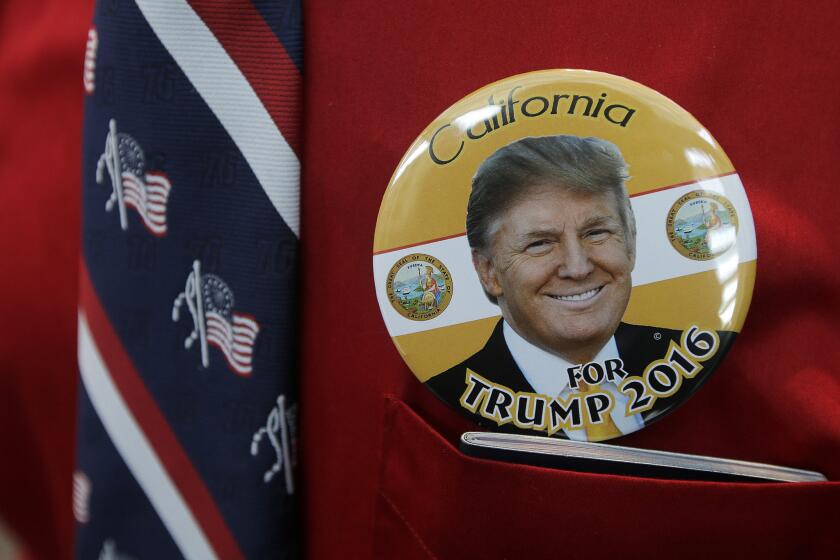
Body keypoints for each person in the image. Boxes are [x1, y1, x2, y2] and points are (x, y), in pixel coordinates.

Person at [426, 135, 733, 440]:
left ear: (630, 243)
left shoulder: (709, 360)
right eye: (539, 244)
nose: (578, 267)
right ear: (488, 271)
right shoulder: (444, 397)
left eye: (596, 233)